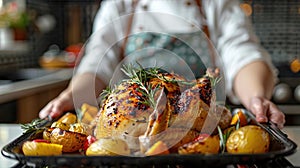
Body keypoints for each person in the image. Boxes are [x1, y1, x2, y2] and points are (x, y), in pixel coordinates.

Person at [39, 0, 285, 129]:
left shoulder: (216, 3)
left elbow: (241, 53)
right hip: (131, 133)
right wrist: (72, 95)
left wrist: (256, 98)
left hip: (202, 135)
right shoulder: (120, 4)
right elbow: (97, 61)